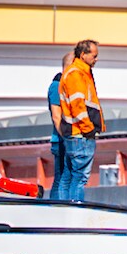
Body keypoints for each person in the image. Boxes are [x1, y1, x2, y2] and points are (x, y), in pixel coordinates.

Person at [58, 40, 102, 201]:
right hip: (80, 134)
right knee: (79, 178)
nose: (96, 59)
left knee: (68, 176)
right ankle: (75, 210)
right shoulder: (76, 74)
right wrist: (89, 129)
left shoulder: (78, 73)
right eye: (94, 56)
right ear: (83, 55)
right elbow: (78, 106)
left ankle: (63, 210)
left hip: (74, 133)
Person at [47, 52, 75, 200]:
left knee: (66, 177)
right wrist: (66, 139)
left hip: (67, 139)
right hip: (61, 140)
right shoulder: (57, 86)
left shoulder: (68, 86)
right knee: (61, 178)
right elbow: (56, 116)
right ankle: (55, 206)